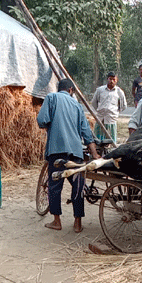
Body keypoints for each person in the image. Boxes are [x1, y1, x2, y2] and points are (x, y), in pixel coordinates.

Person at [37, 78, 100, 233]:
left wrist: (53, 125)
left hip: (56, 151)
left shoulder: (51, 98)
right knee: (78, 187)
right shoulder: (77, 106)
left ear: (61, 89)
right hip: (76, 153)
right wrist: (95, 154)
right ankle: (77, 223)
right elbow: (86, 133)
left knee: (54, 186)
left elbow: (41, 120)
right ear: (71, 90)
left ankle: (56, 221)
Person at [91, 71, 126, 143]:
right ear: (107, 79)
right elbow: (94, 103)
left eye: (114, 79)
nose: (112, 81)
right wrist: (99, 110)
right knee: (97, 140)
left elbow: (123, 106)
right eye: (110, 79)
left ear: (116, 80)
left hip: (111, 120)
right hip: (100, 118)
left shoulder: (119, 92)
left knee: (111, 141)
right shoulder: (100, 90)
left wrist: (115, 112)